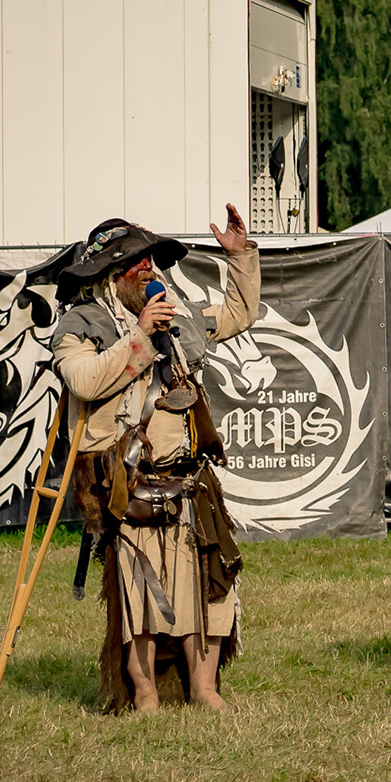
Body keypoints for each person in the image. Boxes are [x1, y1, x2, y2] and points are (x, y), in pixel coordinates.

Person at [52, 208, 258, 713]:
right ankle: (144, 693)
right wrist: (141, 335)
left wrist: (239, 259)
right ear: (109, 274)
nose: (147, 268)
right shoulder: (80, 324)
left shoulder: (177, 314)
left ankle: (204, 689)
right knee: (138, 590)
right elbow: (84, 381)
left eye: (149, 259)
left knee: (209, 584)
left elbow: (237, 314)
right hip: (128, 481)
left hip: (190, 479)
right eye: (135, 261)